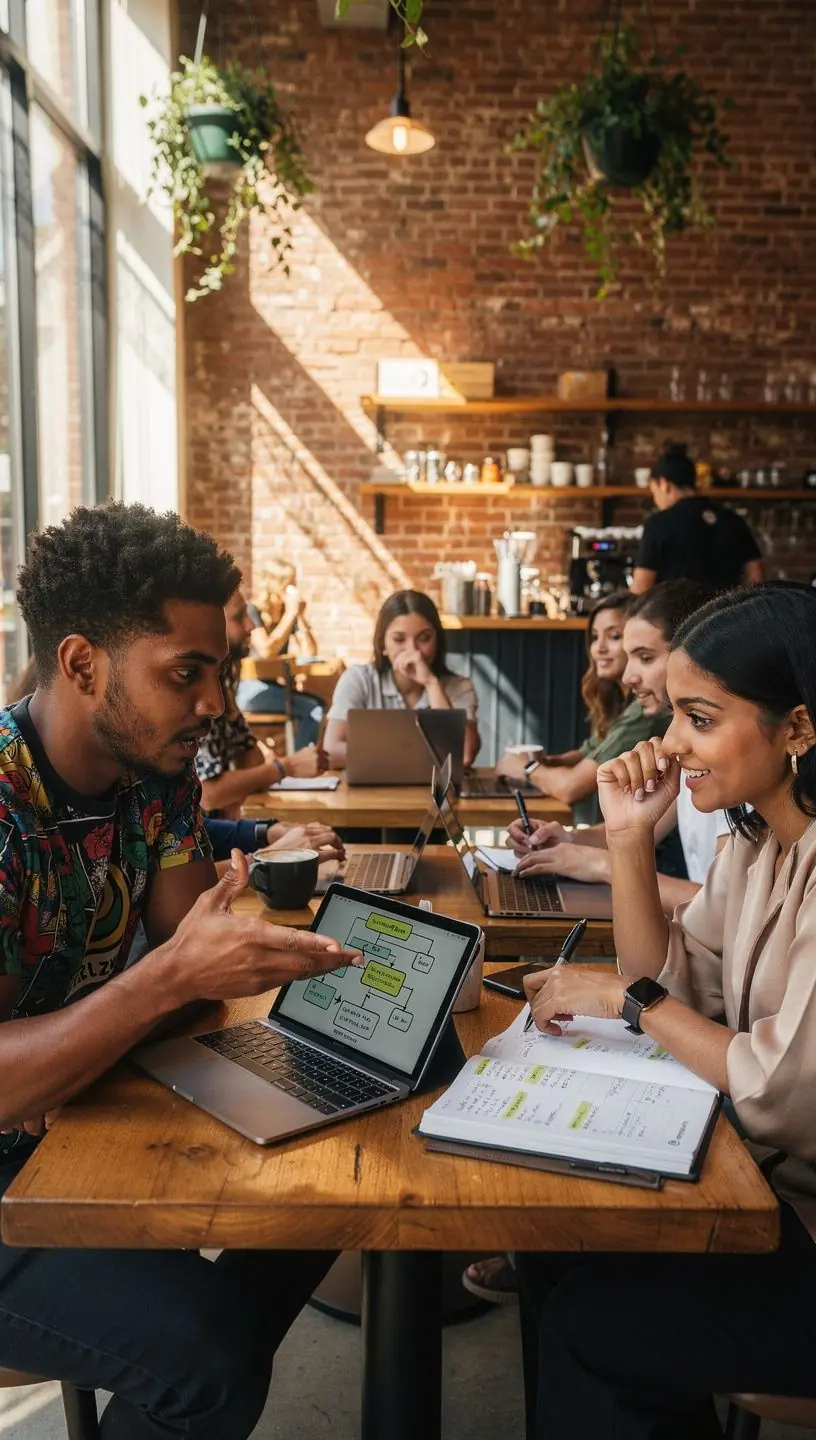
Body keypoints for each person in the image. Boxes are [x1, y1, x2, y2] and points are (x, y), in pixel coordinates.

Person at [0, 503, 364, 1439]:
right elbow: (171, 979)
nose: (213, 702)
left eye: (220, 670)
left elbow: (195, 970)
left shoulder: (153, 780)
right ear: (82, 664)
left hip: (75, 1130)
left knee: (330, 1195)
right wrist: (143, 998)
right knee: (204, 1361)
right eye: (185, 673)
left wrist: (75, 1051)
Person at [516, 583, 816, 1440]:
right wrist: (624, 836)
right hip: (765, 1193)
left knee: (594, 1330)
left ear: (798, 729)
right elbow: (679, 989)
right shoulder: (759, 841)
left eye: (700, 717)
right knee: (552, 1249)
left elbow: (774, 1087)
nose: (670, 741)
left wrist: (624, 998)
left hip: (799, 1221)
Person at [505, 581, 724, 913]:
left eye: (645, 657)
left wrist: (600, 865)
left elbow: (727, 908)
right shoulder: (680, 746)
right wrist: (567, 839)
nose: (628, 676)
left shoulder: (736, 762)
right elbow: (633, 829)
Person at [495, 591, 668, 826]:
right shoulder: (621, 699)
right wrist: (548, 761)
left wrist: (527, 767)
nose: (599, 648)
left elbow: (571, 787)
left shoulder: (645, 710)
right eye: (595, 637)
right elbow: (592, 750)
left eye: (614, 636)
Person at [195, 588, 329, 818]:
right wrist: (287, 767)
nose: (250, 626)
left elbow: (252, 757)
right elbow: (208, 794)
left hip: (223, 831)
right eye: (239, 618)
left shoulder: (223, 686)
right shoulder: (196, 692)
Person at [324, 589, 480, 769]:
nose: (412, 651)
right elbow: (331, 751)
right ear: (383, 644)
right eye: (399, 640)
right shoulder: (359, 680)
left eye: (424, 638)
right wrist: (419, 753)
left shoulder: (460, 687)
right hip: (370, 793)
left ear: (437, 641)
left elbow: (465, 754)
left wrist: (431, 683)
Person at [631, 441, 764, 593]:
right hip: (727, 614)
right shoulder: (733, 520)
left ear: (664, 484)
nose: (656, 499)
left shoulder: (658, 524)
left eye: (654, 492)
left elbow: (641, 589)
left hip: (676, 615)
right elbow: (756, 578)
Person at [236, 560, 325, 749]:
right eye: (288, 583)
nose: (292, 588)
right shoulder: (253, 611)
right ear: (274, 585)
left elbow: (310, 650)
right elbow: (266, 651)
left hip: (276, 688)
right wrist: (290, 615)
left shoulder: (287, 614)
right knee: (314, 708)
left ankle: (301, 756)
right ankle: (301, 764)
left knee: (319, 703)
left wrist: (299, 617)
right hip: (251, 689)